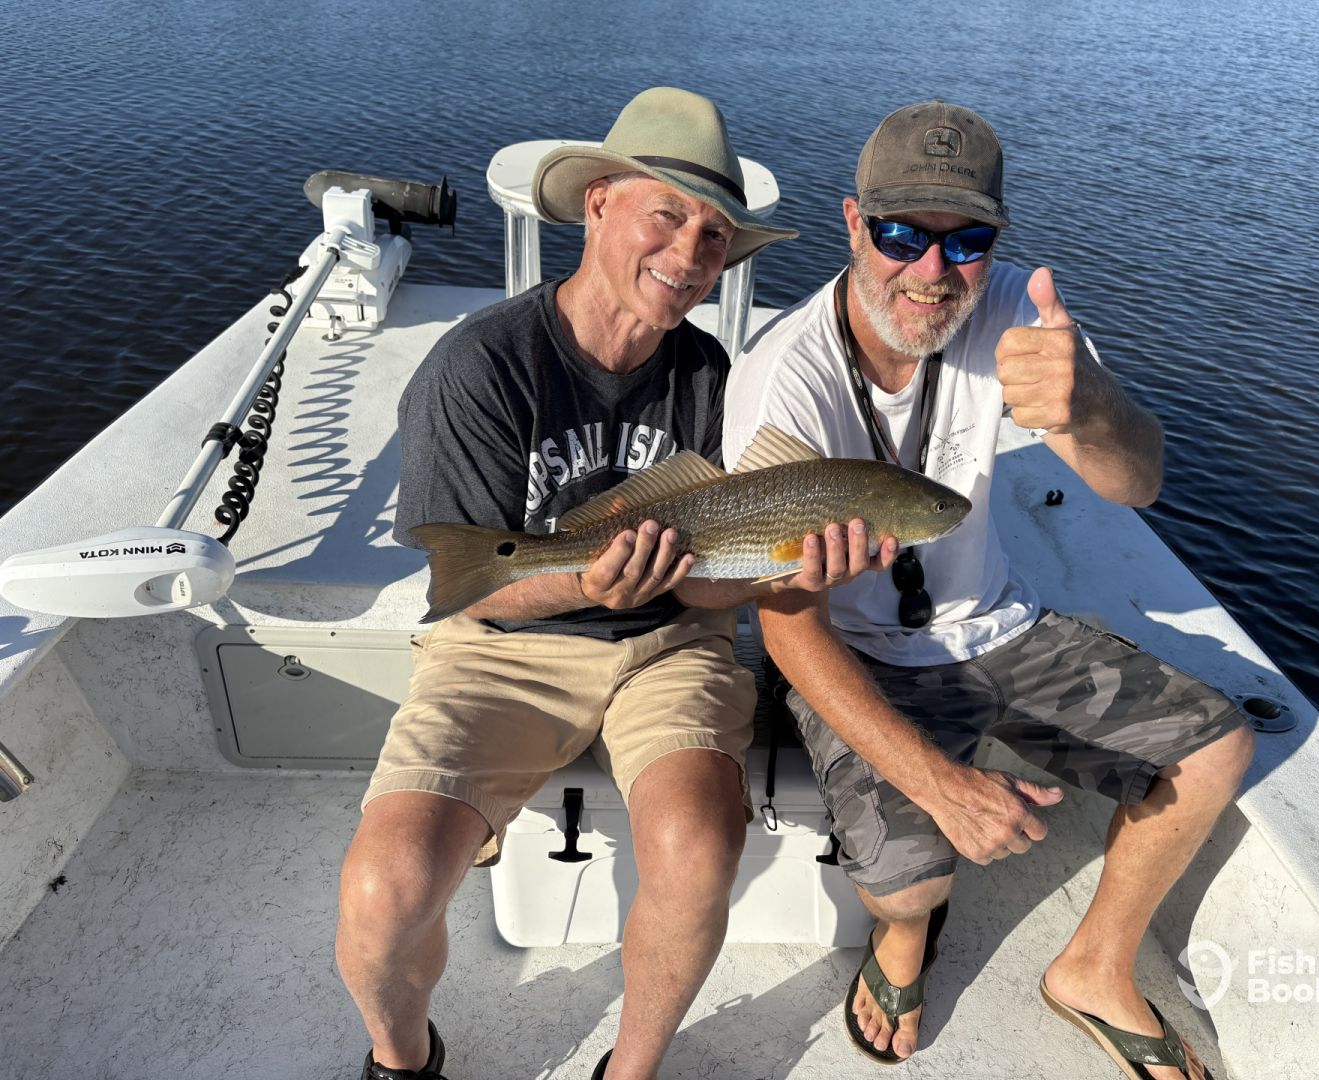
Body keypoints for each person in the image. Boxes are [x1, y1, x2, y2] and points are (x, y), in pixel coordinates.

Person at [336, 87, 893, 1080]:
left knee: (697, 845)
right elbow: (469, 587)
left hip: (667, 647)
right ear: (597, 204)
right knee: (385, 887)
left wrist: (782, 573)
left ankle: (629, 1072)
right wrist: (590, 580)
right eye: (666, 215)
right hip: (502, 649)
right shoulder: (480, 367)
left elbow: (707, 585)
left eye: (715, 235)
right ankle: (402, 1057)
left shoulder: (713, 375)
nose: (689, 254)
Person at [723, 100, 1255, 1079]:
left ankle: (1093, 967)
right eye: (902, 235)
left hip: (1006, 630)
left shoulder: (1017, 312)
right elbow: (789, 629)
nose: (933, 270)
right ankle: (903, 939)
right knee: (907, 886)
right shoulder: (782, 379)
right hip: (864, 660)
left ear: (995, 244)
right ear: (853, 224)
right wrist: (942, 786)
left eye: (966, 240)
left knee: (1218, 752)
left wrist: (1090, 405)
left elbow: (1137, 483)